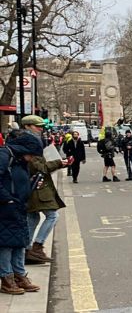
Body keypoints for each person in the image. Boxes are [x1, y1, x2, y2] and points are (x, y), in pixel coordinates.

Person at [0, 117, 45, 294]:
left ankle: (19, 275)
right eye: (32, 154)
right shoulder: (5, 155)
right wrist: (7, 199)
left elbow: (17, 180)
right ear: (24, 149)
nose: (32, 158)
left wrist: (31, 183)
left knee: (19, 242)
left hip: (18, 206)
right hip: (5, 207)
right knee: (6, 244)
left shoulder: (20, 160)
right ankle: (7, 278)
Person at [25, 148, 69, 265]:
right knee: (52, 216)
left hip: (35, 190)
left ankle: (27, 249)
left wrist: (60, 164)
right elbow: (42, 168)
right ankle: (37, 246)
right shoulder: (30, 153)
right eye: (37, 127)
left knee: (33, 218)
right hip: (37, 191)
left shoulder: (31, 150)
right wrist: (58, 163)